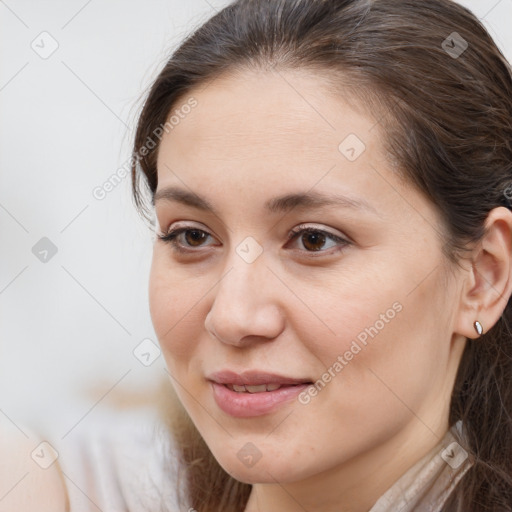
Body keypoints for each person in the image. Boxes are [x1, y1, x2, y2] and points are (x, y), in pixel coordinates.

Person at [5, 0, 512, 510]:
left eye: (314, 239)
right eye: (192, 236)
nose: (231, 317)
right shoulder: (66, 488)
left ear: (482, 277)